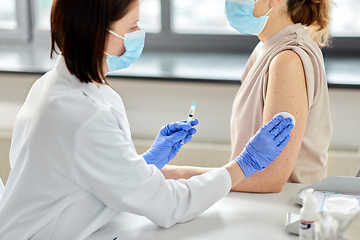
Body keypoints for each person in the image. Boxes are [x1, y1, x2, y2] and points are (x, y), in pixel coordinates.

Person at [0, 0, 294, 239]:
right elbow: (168, 205)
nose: (139, 32)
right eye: (132, 26)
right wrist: (243, 165)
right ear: (98, 33)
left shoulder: (55, 85)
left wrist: (147, 162)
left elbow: (87, 175)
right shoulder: (81, 114)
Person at [162, 0, 333, 193]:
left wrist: (172, 174)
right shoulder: (266, 47)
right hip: (258, 202)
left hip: (283, 207)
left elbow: (270, 178)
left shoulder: (288, 60)